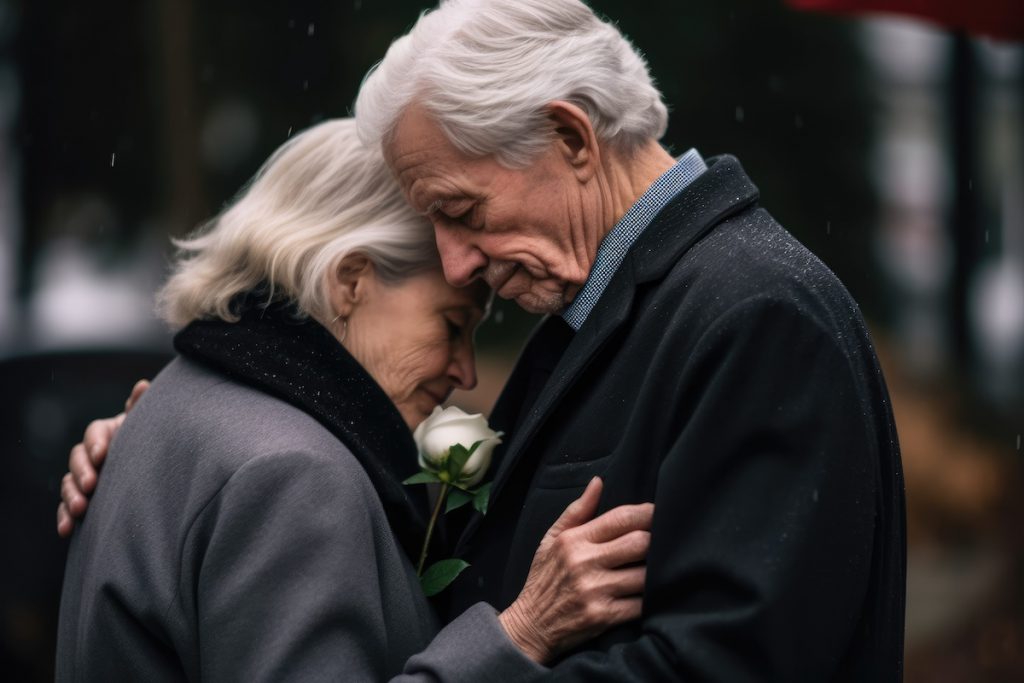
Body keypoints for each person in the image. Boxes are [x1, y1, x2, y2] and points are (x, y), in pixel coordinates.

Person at [64, 0, 906, 678]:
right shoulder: (613, 298)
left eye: (462, 213)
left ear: (571, 137)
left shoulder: (755, 315)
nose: (458, 258)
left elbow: (724, 660)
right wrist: (187, 467)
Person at [54, 118, 653, 681]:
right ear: (350, 281)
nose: (466, 373)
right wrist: (521, 635)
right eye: (451, 323)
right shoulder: (293, 475)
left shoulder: (178, 407)